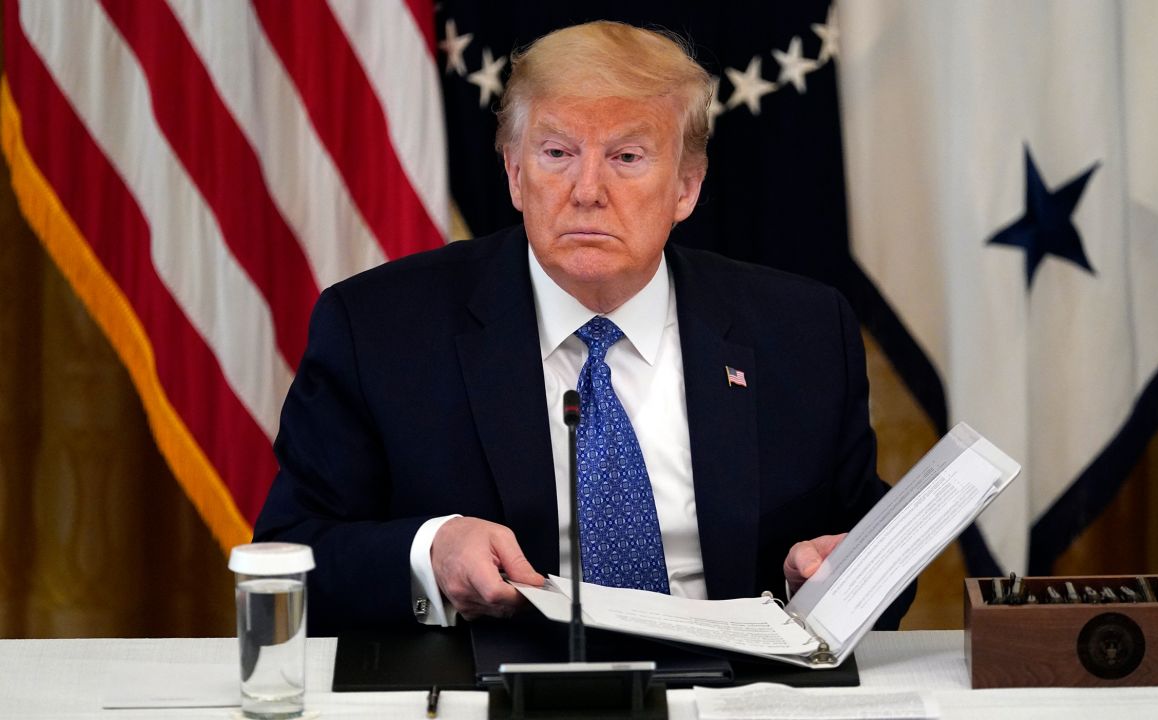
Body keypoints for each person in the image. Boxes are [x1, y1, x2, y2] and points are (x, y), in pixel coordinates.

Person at [255, 20, 914, 635]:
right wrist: (431, 550)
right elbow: (290, 554)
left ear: (687, 186)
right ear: (515, 174)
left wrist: (840, 572)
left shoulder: (800, 331)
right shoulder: (382, 330)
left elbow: (869, 550)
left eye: (627, 157)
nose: (587, 189)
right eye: (556, 152)